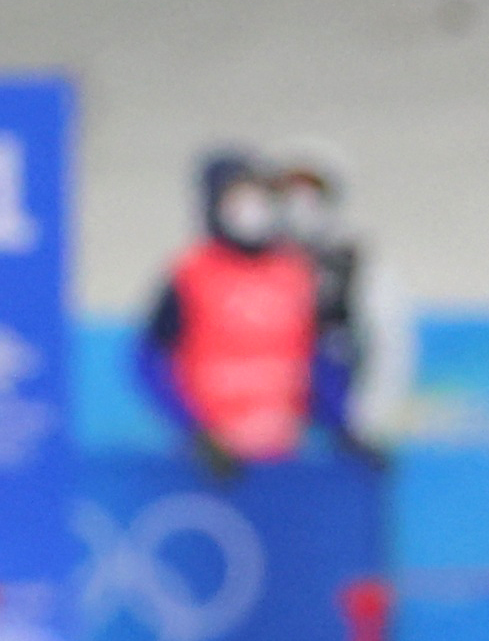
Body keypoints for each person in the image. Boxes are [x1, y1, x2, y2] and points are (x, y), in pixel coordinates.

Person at [136, 148, 324, 481]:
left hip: (282, 452)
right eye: (238, 196)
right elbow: (151, 361)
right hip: (210, 460)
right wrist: (197, 431)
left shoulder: (295, 272)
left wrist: (343, 423)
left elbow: (316, 358)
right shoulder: (191, 274)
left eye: (260, 195)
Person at [267, 139, 412, 460]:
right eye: (288, 190)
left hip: (339, 433)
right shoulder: (251, 262)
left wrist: (365, 421)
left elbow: (389, 344)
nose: (298, 202)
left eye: (310, 189)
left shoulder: (357, 261)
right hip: (268, 435)